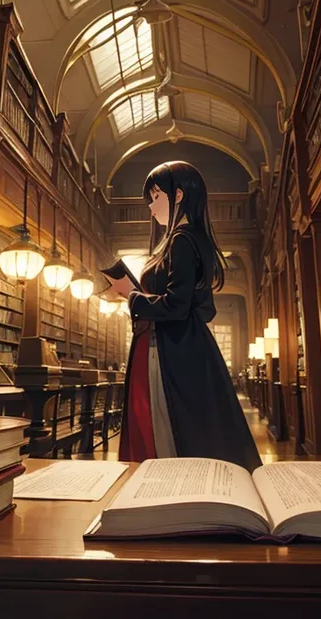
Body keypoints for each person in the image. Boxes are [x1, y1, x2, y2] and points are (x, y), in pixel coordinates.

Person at [110, 161, 262, 473]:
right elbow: (199, 306)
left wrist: (132, 295)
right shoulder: (190, 238)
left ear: (177, 195)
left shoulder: (181, 239)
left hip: (170, 347)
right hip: (184, 344)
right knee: (188, 427)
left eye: (155, 197)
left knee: (170, 423)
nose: (151, 207)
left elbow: (176, 306)